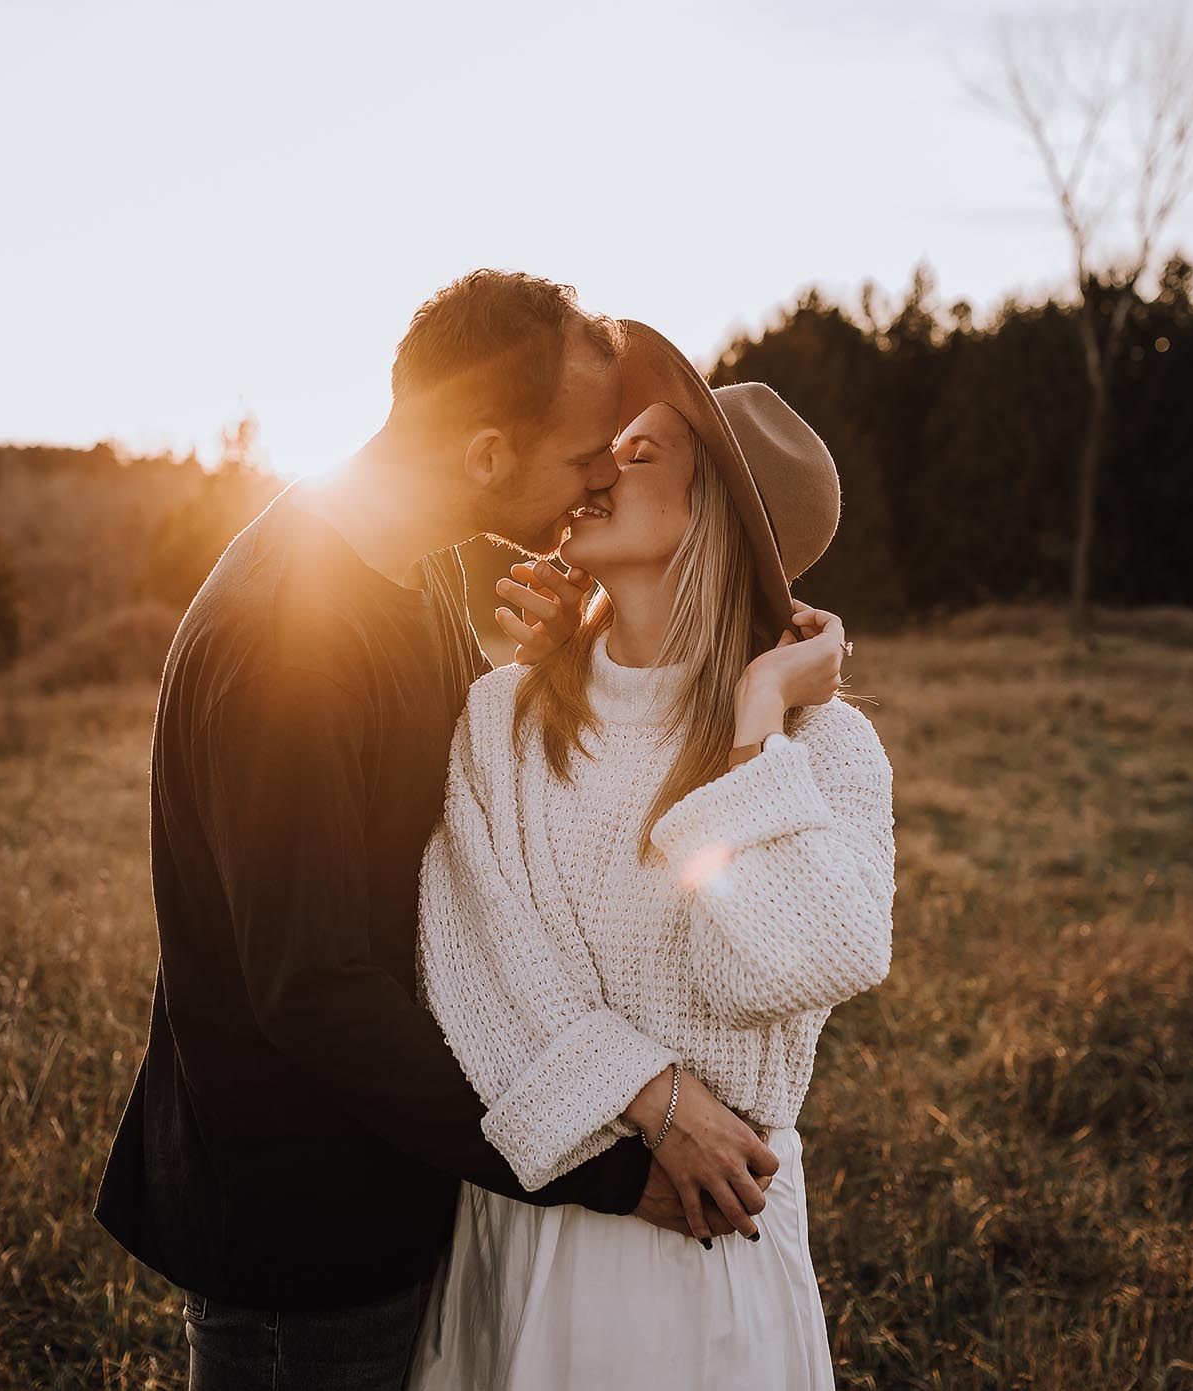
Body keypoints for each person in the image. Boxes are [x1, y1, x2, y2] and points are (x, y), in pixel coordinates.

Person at [92, 274, 783, 1390]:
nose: (603, 475)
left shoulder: (391, 568)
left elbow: (442, 837)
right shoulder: (291, 637)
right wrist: (607, 1169)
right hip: (304, 1240)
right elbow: (314, 989)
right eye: (581, 457)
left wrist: (547, 670)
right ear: (483, 453)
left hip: (381, 1193)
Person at [406, 320, 898, 1389]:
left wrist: (753, 718)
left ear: (715, 512)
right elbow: (469, 961)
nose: (595, 469)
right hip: (534, 1216)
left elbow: (784, 960)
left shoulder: (823, 747)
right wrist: (650, 1095)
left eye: (637, 454)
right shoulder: (502, 718)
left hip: (705, 1244)